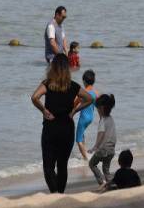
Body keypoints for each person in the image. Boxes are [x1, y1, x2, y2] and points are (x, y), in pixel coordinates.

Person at [31, 53, 94, 193]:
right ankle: (60, 195)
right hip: (67, 128)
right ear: (67, 69)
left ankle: (55, 194)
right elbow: (89, 99)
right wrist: (74, 111)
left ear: (53, 67)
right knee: (62, 165)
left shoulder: (47, 83)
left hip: (50, 128)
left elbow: (34, 97)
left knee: (48, 166)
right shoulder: (73, 86)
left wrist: (44, 111)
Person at [88, 94, 117, 190]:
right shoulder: (111, 119)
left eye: (97, 109)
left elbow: (101, 134)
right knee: (106, 169)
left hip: (103, 150)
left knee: (92, 164)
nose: (97, 111)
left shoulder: (102, 121)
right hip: (111, 150)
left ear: (102, 108)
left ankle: (101, 182)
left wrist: (95, 147)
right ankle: (111, 183)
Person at [75, 69, 98, 160]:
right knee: (82, 134)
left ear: (84, 81)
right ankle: (85, 152)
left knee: (78, 140)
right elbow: (97, 105)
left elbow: (75, 103)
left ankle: (86, 159)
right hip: (90, 118)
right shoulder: (95, 93)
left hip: (83, 118)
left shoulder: (83, 93)